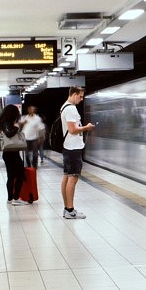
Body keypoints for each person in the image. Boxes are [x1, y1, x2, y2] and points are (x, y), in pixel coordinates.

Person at [60, 87, 94, 219]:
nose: (81, 99)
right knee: (73, 178)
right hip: (73, 148)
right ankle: (70, 210)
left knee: (67, 177)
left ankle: (67, 209)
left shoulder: (64, 107)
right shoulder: (70, 109)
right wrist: (87, 128)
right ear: (74, 95)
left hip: (68, 146)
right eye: (80, 96)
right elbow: (73, 130)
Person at [0, 105, 27, 206]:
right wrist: (16, 127)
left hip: (10, 153)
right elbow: (9, 134)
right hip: (11, 154)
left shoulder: (5, 122)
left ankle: (10, 199)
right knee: (20, 175)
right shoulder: (6, 123)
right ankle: (15, 198)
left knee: (11, 176)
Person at [19, 105, 45, 169]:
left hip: (34, 138)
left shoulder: (37, 118)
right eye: (29, 109)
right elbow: (19, 127)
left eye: (32, 109)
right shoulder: (24, 117)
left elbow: (40, 128)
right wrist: (23, 123)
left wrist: (39, 137)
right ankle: (28, 165)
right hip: (26, 138)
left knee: (35, 154)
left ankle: (34, 165)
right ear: (28, 110)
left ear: (34, 110)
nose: (31, 110)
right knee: (27, 154)